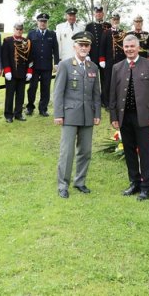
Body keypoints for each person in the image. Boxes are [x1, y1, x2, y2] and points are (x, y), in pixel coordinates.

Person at [110, 35, 149, 201]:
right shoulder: (117, 67)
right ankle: (134, 182)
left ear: (138, 47)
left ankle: (146, 186)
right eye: (126, 47)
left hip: (143, 117)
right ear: (123, 48)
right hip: (124, 117)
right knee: (129, 151)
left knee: (144, 152)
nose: (129, 49)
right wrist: (114, 116)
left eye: (132, 46)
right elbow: (113, 96)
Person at [53, 31, 102, 198]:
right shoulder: (65, 65)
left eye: (86, 45)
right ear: (75, 46)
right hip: (69, 115)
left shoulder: (93, 67)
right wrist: (58, 114)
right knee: (67, 152)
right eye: (81, 45)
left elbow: (96, 93)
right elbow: (58, 92)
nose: (84, 48)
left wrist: (97, 114)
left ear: (89, 48)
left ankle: (80, 181)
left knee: (86, 151)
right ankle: (62, 185)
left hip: (88, 115)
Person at [27, 12, 59, 117]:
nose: (43, 23)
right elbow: (26, 50)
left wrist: (56, 63)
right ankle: (30, 107)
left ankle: (43, 109)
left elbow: (56, 50)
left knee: (45, 88)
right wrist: (27, 66)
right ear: (37, 22)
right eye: (41, 21)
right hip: (34, 66)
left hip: (46, 66)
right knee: (32, 88)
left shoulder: (52, 34)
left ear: (47, 23)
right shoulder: (31, 34)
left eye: (45, 22)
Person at [2, 22, 32, 122]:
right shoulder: (7, 41)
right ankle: (8, 115)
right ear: (14, 29)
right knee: (10, 95)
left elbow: (30, 58)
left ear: (22, 30)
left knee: (20, 95)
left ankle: (18, 113)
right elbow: (4, 57)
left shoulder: (27, 41)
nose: (19, 31)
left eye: (20, 29)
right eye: (17, 29)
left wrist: (29, 71)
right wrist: (6, 70)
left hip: (23, 73)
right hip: (11, 73)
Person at [85, 6, 111, 106]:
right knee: (93, 79)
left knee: (105, 80)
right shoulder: (89, 26)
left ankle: (105, 100)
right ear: (94, 14)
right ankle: (94, 101)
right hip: (93, 56)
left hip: (105, 57)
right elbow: (86, 40)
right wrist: (87, 54)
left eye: (100, 12)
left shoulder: (107, 25)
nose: (99, 14)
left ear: (103, 14)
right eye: (97, 12)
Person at [99, 13, 126, 108]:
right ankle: (106, 103)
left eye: (117, 20)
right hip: (109, 61)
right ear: (111, 21)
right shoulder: (106, 32)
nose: (115, 21)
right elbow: (102, 47)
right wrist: (102, 59)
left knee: (119, 82)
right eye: (114, 20)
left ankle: (118, 101)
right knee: (108, 82)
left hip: (120, 61)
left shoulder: (123, 33)